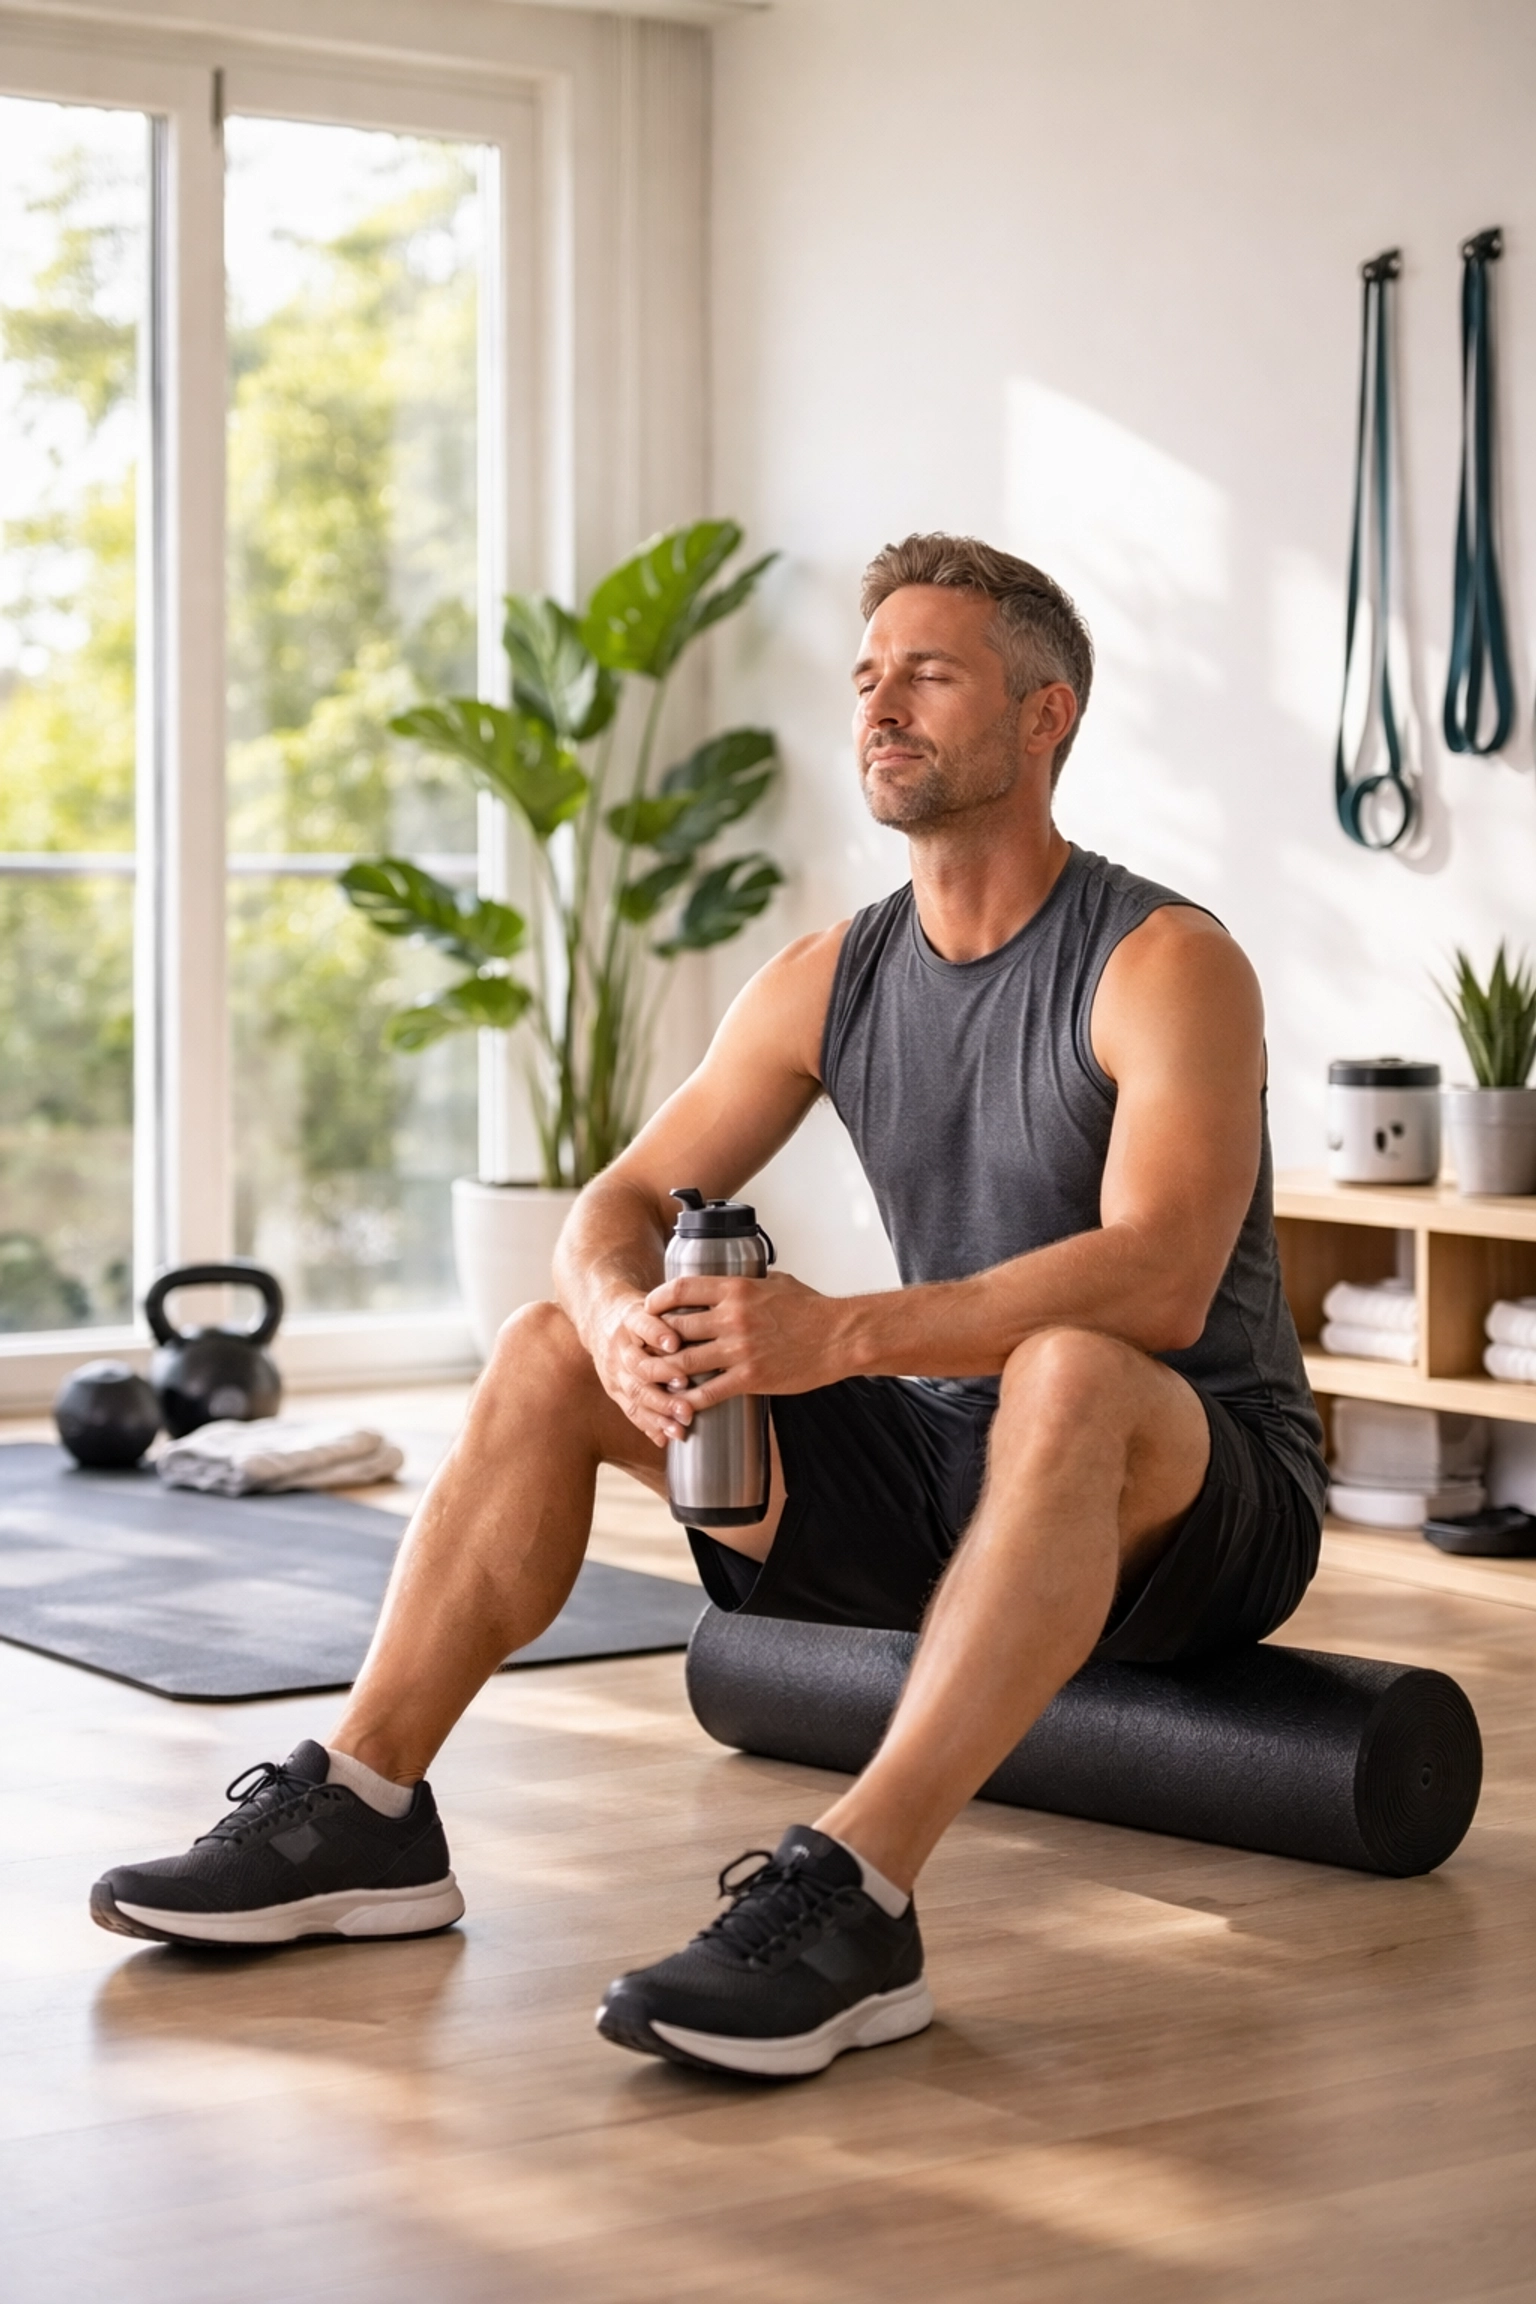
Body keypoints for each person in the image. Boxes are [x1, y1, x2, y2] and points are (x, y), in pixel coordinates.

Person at [91, 533, 1326, 2080]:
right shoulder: (829, 975)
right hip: (954, 1465)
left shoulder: (1164, 962)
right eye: (869, 678)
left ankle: (859, 1900)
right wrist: (617, 1316)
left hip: (1198, 1491)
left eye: (930, 675)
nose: (882, 706)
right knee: (549, 1350)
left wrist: (849, 1334)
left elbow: (1159, 1279)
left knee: (1071, 1369)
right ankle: (366, 1809)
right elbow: (612, 1205)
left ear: (1043, 717)